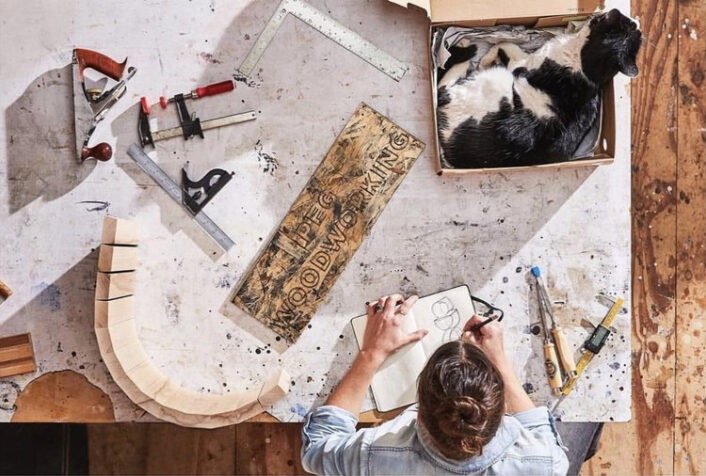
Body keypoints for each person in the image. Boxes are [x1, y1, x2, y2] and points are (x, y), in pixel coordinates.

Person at [301, 294, 570, 475]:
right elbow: (543, 439)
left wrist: (372, 353)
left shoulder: (377, 454)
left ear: (418, 416)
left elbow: (316, 449)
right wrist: (500, 364)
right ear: (501, 411)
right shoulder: (545, 463)